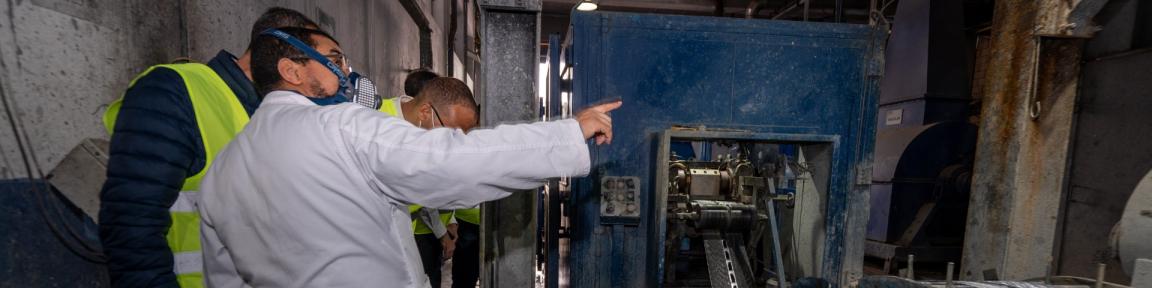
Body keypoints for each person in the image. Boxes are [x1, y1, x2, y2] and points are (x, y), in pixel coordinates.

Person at [198, 27, 620, 287]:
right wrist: (568, 132)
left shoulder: (224, 169)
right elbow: (453, 161)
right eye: (332, 61)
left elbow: (224, 278)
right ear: (292, 70)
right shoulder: (341, 126)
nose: (345, 72)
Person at [98, 8, 322, 287]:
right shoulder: (176, 91)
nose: (325, 84)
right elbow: (131, 222)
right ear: (284, 59)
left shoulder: (266, 116)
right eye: (322, 65)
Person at [384, 70, 476, 288]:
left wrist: (450, 221)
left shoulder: (426, 132)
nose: (454, 143)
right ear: (426, 111)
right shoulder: (376, 119)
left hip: (407, 227)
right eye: (451, 133)